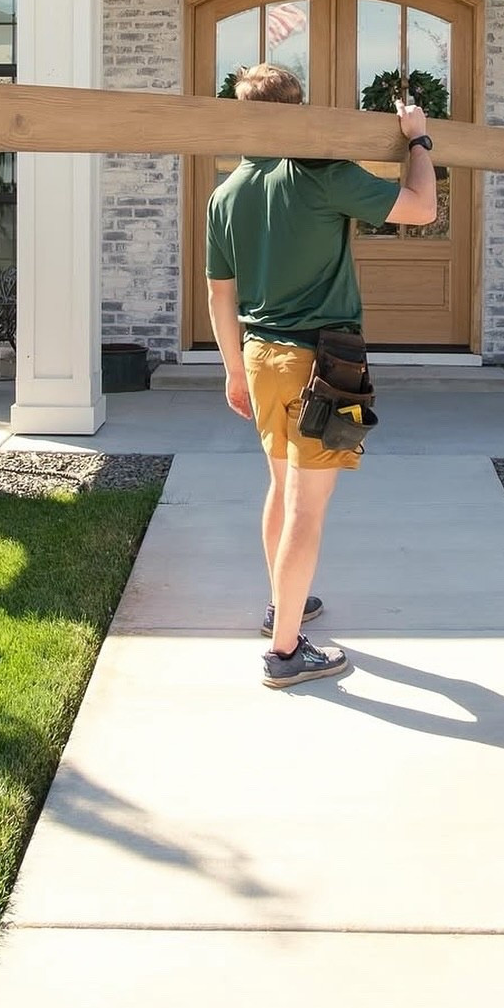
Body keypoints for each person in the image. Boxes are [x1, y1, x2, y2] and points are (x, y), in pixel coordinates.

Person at [205, 63, 437, 687]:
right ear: (300, 111)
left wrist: (232, 369)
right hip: (323, 365)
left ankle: (285, 601)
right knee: (308, 506)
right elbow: (421, 209)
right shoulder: (324, 175)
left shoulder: (226, 193)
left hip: (260, 357)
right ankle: (285, 653)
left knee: (282, 488)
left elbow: (219, 295)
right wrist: (417, 139)